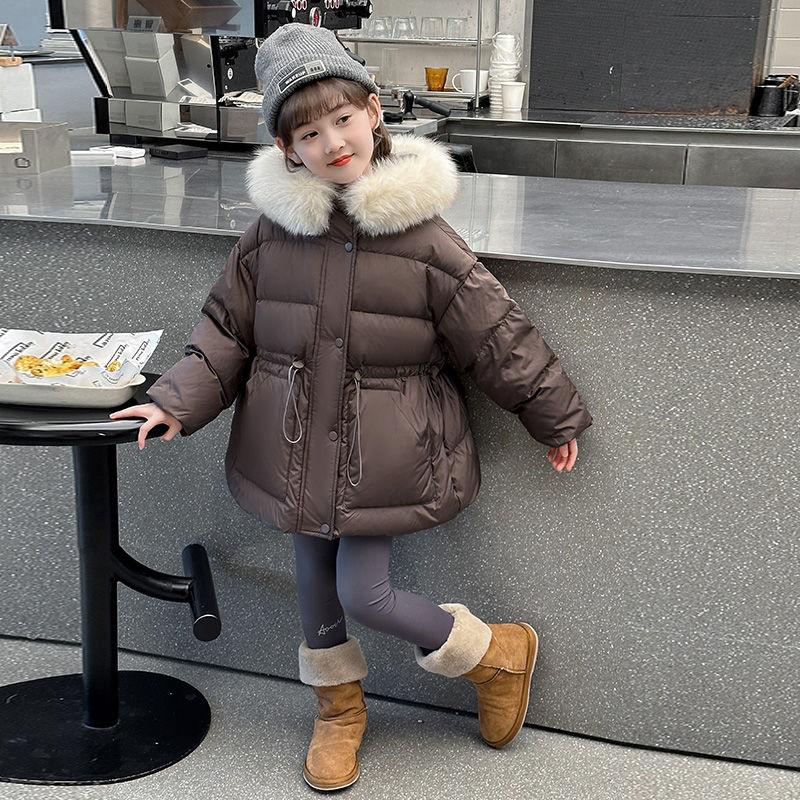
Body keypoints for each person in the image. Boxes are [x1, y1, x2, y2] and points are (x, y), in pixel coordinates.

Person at [109, 22, 593, 792]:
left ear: (373, 112)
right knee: (314, 585)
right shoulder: (269, 238)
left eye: (342, 118)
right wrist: (174, 399)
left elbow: (495, 333)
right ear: (285, 148)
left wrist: (552, 412)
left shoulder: (423, 237)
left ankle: (496, 655)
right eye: (308, 132)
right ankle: (338, 710)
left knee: (364, 593)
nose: (332, 141)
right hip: (294, 446)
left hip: (383, 455)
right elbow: (226, 332)